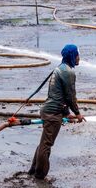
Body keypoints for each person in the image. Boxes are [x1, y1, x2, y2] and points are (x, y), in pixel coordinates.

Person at [29, 44, 86, 180]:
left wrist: (66, 113)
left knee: (44, 142)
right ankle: (40, 175)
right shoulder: (68, 72)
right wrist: (77, 113)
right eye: (77, 55)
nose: (79, 58)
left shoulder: (60, 69)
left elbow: (59, 95)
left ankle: (33, 170)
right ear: (72, 56)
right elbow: (70, 96)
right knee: (46, 144)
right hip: (53, 114)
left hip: (50, 110)